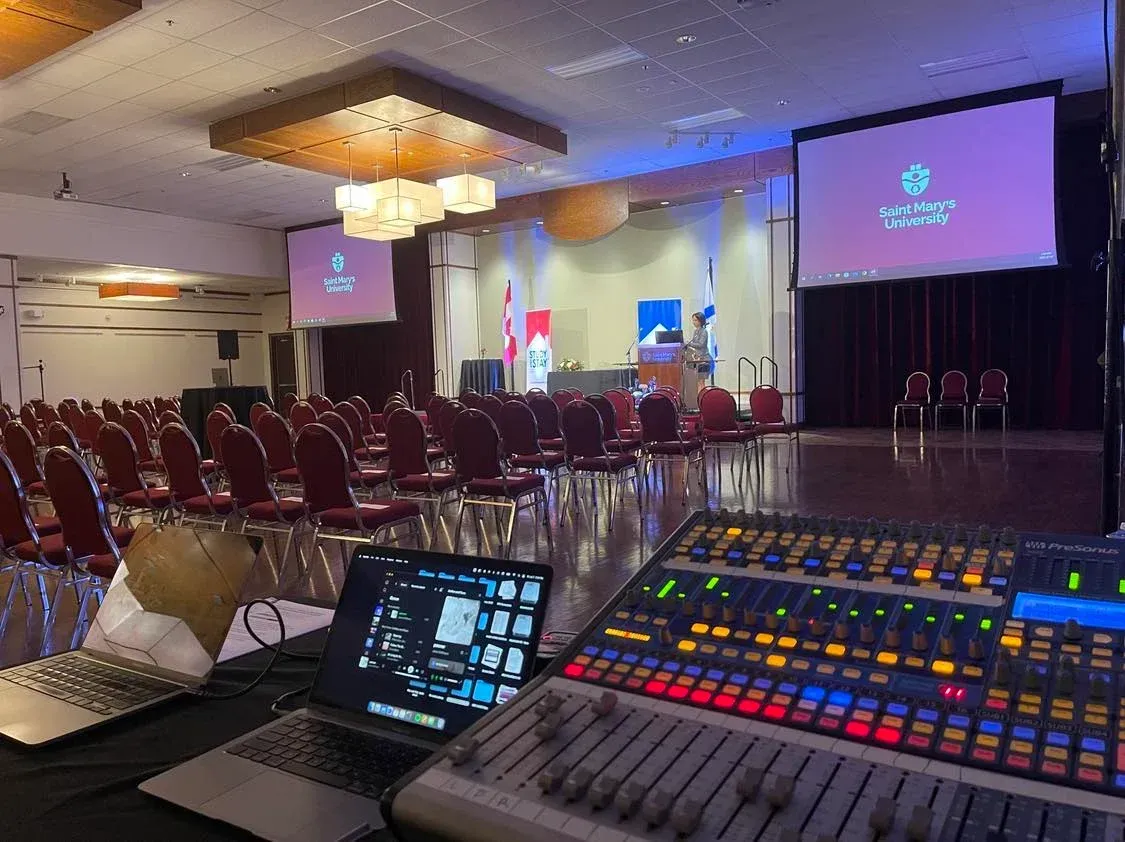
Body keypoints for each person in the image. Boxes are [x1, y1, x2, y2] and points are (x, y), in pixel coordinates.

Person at [683, 311, 713, 396]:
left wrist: (688, 343)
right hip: (696, 359)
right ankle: (698, 398)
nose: (694, 322)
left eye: (695, 320)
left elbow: (701, 344)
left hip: (703, 359)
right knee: (697, 381)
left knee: (701, 381)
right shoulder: (696, 331)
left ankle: (703, 398)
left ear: (701, 321)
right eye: (693, 320)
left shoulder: (704, 331)